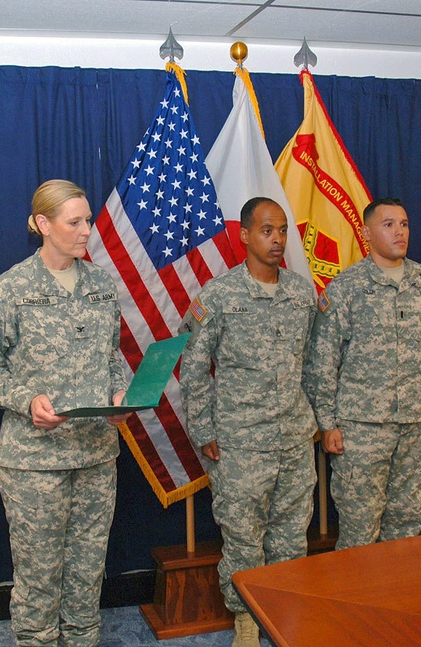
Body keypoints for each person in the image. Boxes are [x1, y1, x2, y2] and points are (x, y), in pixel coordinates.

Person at [0, 180, 128, 647]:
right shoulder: (12, 287)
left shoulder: (101, 284)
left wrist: (119, 397)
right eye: (74, 222)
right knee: (38, 582)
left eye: (88, 220)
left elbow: (111, 357)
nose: (86, 231)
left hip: (96, 455)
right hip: (35, 463)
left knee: (86, 576)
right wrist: (27, 401)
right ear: (42, 224)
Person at [179, 197, 318, 647]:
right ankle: (246, 620)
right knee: (242, 538)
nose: (276, 240)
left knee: (291, 536)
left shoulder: (302, 293)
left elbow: (314, 363)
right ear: (244, 234)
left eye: (282, 231)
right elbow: (194, 369)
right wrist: (204, 431)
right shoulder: (218, 297)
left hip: (294, 439)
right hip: (240, 442)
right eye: (266, 231)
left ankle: (283, 613)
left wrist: (316, 419)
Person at [305, 198, 421, 550]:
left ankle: (397, 601)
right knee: (359, 531)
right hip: (362, 430)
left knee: (407, 526)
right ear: (366, 233)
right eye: (388, 224)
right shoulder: (347, 288)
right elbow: (322, 362)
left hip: (416, 427)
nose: (399, 231)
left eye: (403, 224)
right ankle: (356, 605)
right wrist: (328, 424)